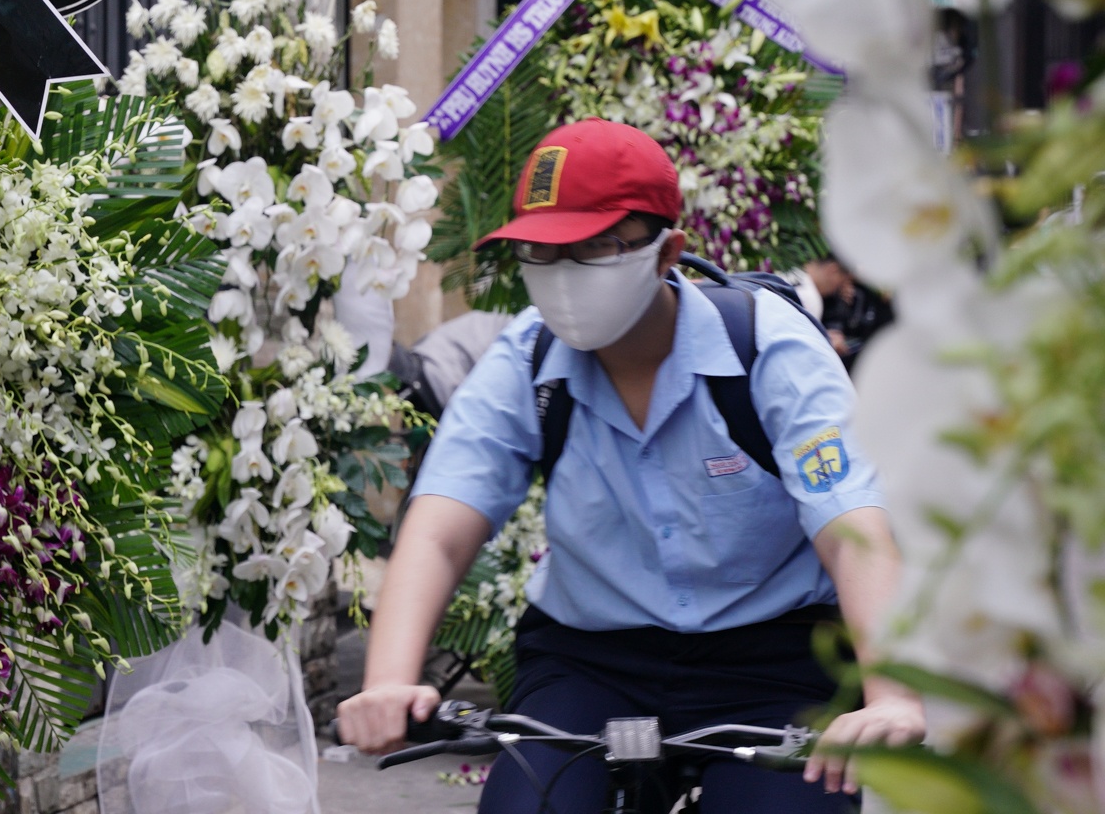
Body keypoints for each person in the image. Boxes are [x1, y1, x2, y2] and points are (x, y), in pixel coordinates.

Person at [337, 119, 925, 812]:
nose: (561, 277)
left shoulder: (767, 350)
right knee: (528, 802)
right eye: (541, 252)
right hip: (591, 657)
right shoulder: (526, 361)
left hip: (774, 659)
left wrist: (892, 700)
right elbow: (439, 528)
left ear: (666, 251)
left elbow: (852, 527)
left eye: (593, 249)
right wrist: (388, 681)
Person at [802, 256, 894, 371]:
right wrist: (824, 338)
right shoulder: (810, 298)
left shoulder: (793, 275)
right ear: (833, 270)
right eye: (844, 280)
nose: (842, 286)